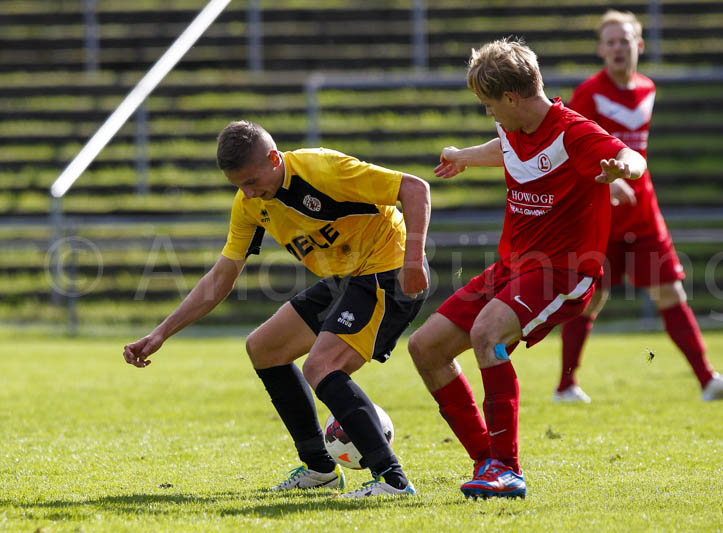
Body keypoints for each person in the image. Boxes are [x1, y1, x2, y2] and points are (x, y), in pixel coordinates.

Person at [123, 120, 430, 499]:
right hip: (346, 280)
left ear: (273, 159)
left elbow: (415, 189)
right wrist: (160, 333)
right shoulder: (250, 204)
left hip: (390, 270)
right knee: (264, 348)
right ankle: (320, 469)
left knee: (321, 366)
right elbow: (221, 278)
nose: (248, 194)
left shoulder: (323, 169)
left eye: (251, 182)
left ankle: (392, 479)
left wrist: (414, 262)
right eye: (239, 186)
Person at [407, 38, 647, 500]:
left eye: (489, 105)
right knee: (426, 347)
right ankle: (486, 462)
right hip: (514, 266)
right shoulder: (517, 127)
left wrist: (624, 169)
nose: (489, 114)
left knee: (487, 334)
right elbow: (508, 149)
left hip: (564, 271)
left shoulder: (573, 132)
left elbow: (629, 156)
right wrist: (462, 156)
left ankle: (507, 468)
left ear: (512, 99)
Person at [553, 10, 723, 404]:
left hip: (644, 213)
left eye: (624, 40)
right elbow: (570, 152)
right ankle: (566, 386)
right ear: (600, 50)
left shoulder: (648, 88)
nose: (617, 48)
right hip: (601, 215)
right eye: (609, 42)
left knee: (670, 291)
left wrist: (628, 184)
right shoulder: (588, 95)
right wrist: (607, 187)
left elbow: (635, 152)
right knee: (591, 297)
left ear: (639, 46)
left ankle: (707, 380)